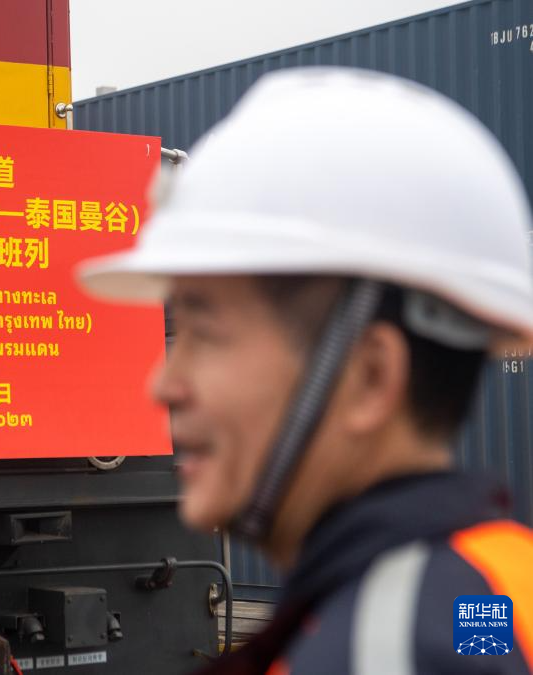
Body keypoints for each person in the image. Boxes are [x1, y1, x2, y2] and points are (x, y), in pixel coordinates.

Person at [78, 67, 533, 674]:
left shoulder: (386, 648)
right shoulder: (488, 583)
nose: (163, 385)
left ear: (370, 377)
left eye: (205, 336)